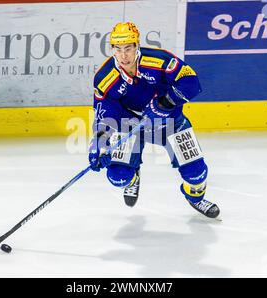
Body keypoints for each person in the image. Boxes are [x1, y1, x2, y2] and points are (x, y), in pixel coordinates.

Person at [88, 22, 220, 218]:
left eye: (128, 48)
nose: (124, 55)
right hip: (131, 125)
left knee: (196, 174)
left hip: (171, 122)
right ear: (112, 49)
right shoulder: (105, 78)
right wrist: (99, 144)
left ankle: (195, 198)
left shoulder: (159, 60)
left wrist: (165, 103)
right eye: (118, 49)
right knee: (118, 177)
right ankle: (132, 178)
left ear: (136, 46)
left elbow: (191, 82)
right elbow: (105, 116)